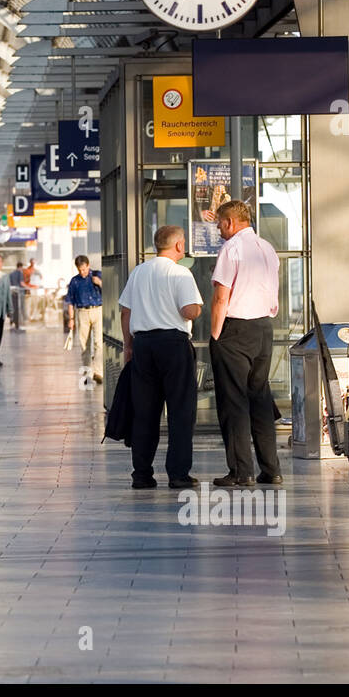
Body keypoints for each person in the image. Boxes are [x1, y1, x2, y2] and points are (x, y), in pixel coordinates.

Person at [118, 225, 203, 490]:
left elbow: (125, 311)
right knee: (180, 410)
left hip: (143, 345)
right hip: (173, 345)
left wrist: (128, 346)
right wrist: (199, 308)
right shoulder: (181, 273)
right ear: (178, 245)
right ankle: (178, 474)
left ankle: (142, 474)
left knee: (145, 411)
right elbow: (189, 311)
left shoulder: (139, 271)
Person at [208, 200, 282, 488]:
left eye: (220, 224)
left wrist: (215, 336)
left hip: (236, 330)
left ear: (230, 222)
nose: (217, 228)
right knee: (260, 399)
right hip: (263, 327)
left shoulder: (232, 249)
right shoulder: (267, 247)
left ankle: (242, 472)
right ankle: (271, 470)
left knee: (234, 402)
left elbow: (221, 297)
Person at [64, 255, 104, 383]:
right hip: (82, 312)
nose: (82, 272)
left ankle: (98, 372)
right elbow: (70, 301)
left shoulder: (97, 275)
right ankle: (87, 373)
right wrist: (71, 319)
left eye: (84, 269)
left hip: (97, 309)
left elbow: (109, 291)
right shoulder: (75, 281)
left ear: (88, 265)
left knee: (99, 342)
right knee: (84, 344)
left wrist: (100, 283)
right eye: (80, 270)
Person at [8, 261, 25, 330]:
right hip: (19, 293)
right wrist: (29, 287)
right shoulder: (20, 273)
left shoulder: (11, 274)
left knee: (13, 307)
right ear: (21, 267)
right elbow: (22, 283)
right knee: (19, 308)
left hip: (12, 293)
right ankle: (17, 323)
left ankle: (12, 320)